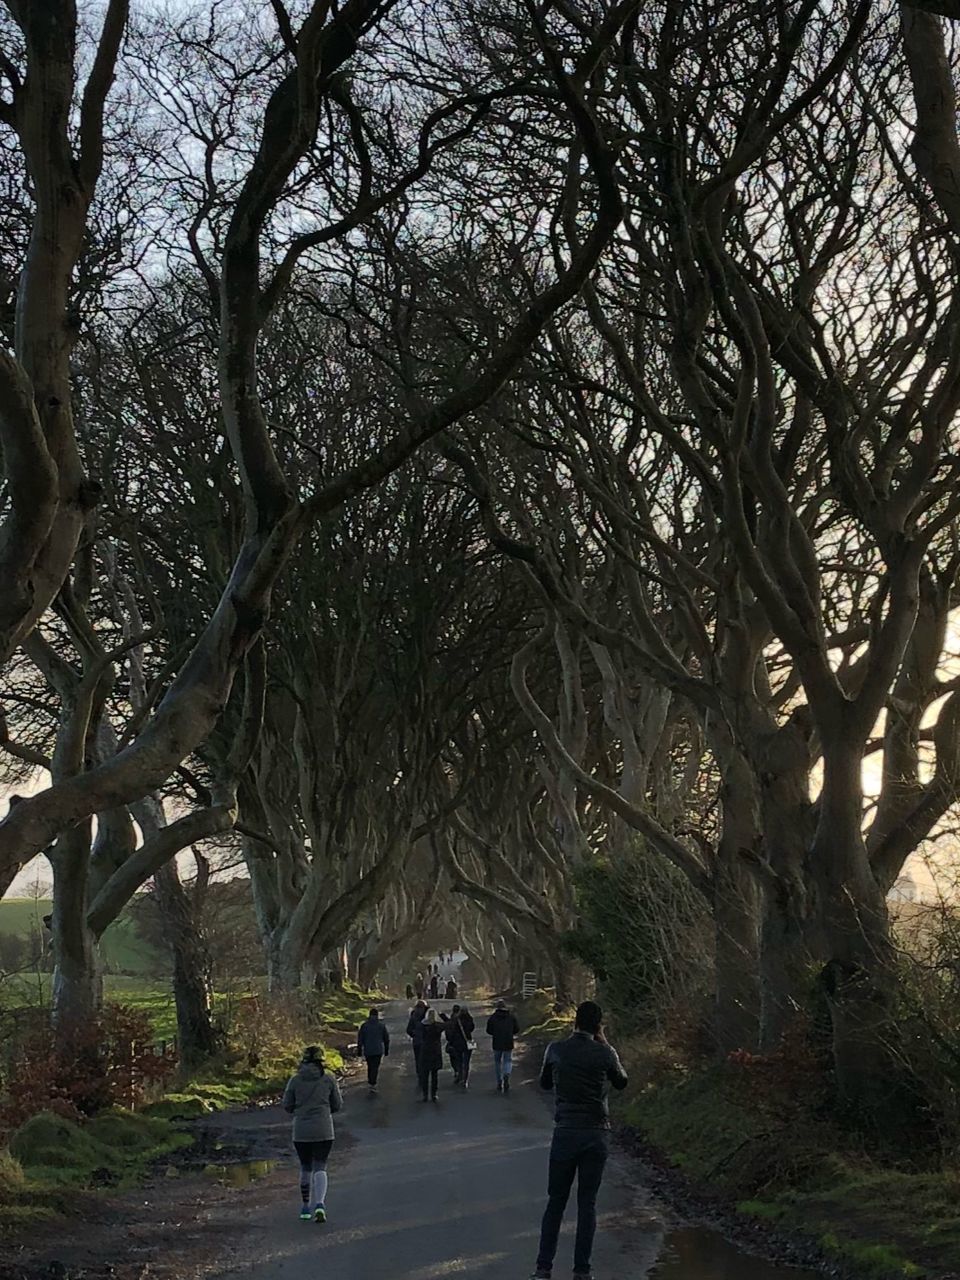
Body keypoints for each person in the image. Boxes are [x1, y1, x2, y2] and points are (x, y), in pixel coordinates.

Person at [530, 1001, 628, 1280]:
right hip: (596, 1132)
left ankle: (543, 1268)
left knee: (556, 1201)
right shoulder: (604, 1052)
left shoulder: (556, 1050)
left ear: (574, 1022)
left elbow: (545, 1084)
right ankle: (582, 1271)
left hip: (565, 1131)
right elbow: (621, 1081)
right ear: (598, 1026)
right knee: (588, 1203)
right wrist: (607, 1044)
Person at [282, 1045, 342, 1224]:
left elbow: (287, 1105)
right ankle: (320, 1204)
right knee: (320, 1166)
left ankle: (305, 1207)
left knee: (305, 1166)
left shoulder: (294, 1080)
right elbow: (337, 1105)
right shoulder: (328, 1079)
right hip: (324, 1129)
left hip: (301, 1131)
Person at [486, 998, 521, 1094]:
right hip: (508, 1042)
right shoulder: (511, 1017)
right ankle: (507, 1074)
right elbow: (517, 1029)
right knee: (507, 1060)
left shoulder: (493, 1017)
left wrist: (495, 1033)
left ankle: (499, 1081)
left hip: (497, 1042)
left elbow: (488, 1030)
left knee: (497, 1062)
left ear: (497, 1007)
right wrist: (510, 1032)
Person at [356, 1007, 390, 1092]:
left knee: (370, 1066)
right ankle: (373, 1083)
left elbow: (360, 1039)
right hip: (378, 1050)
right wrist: (386, 1049)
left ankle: (371, 1081)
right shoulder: (381, 1026)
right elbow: (386, 1038)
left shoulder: (364, 1026)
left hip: (368, 1050)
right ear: (377, 1015)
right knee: (375, 1067)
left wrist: (359, 1050)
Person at [443, 1003, 475, 1086]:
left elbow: (452, 1031)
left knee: (459, 1061)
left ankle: (460, 1076)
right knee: (467, 1062)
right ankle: (465, 1079)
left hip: (458, 1043)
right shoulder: (470, 1019)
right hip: (468, 1042)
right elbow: (471, 1029)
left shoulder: (457, 1020)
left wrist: (451, 1041)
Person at [418, 1008, 444, 1101]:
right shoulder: (438, 1026)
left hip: (425, 1051)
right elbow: (448, 1024)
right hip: (435, 1051)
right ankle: (434, 1094)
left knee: (425, 1074)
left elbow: (417, 1032)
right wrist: (443, 1016)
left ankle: (425, 1094)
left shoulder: (423, 1026)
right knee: (434, 1074)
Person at [406, 998, 428, 1084]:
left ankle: (420, 1075)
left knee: (418, 1059)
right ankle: (424, 1074)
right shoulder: (428, 1016)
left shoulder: (414, 1016)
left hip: (417, 1042)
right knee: (425, 1059)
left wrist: (414, 1035)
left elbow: (408, 1030)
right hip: (426, 1042)